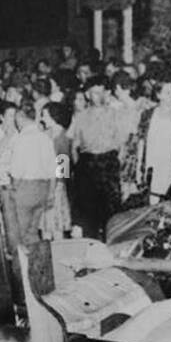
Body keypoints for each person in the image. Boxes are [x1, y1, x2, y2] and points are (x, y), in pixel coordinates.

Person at [69, 75, 123, 237]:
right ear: (87, 95)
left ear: (106, 93)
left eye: (101, 93)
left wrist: (116, 165)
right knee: (88, 214)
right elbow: (73, 147)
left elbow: (122, 145)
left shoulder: (115, 114)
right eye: (94, 93)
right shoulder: (80, 117)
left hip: (108, 164)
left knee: (112, 214)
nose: (98, 97)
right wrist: (78, 170)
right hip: (87, 165)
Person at [0, 100, 58, 244]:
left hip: (24, 189)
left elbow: (16, 171)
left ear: (20, 117)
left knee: (18, 235)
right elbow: (53, 169)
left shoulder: (21, 139)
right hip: (42, 189)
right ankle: (38, 264)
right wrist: (51, 193)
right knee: (33, 232)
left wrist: (13, 191)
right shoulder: (46, 138)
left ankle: (23, 266)